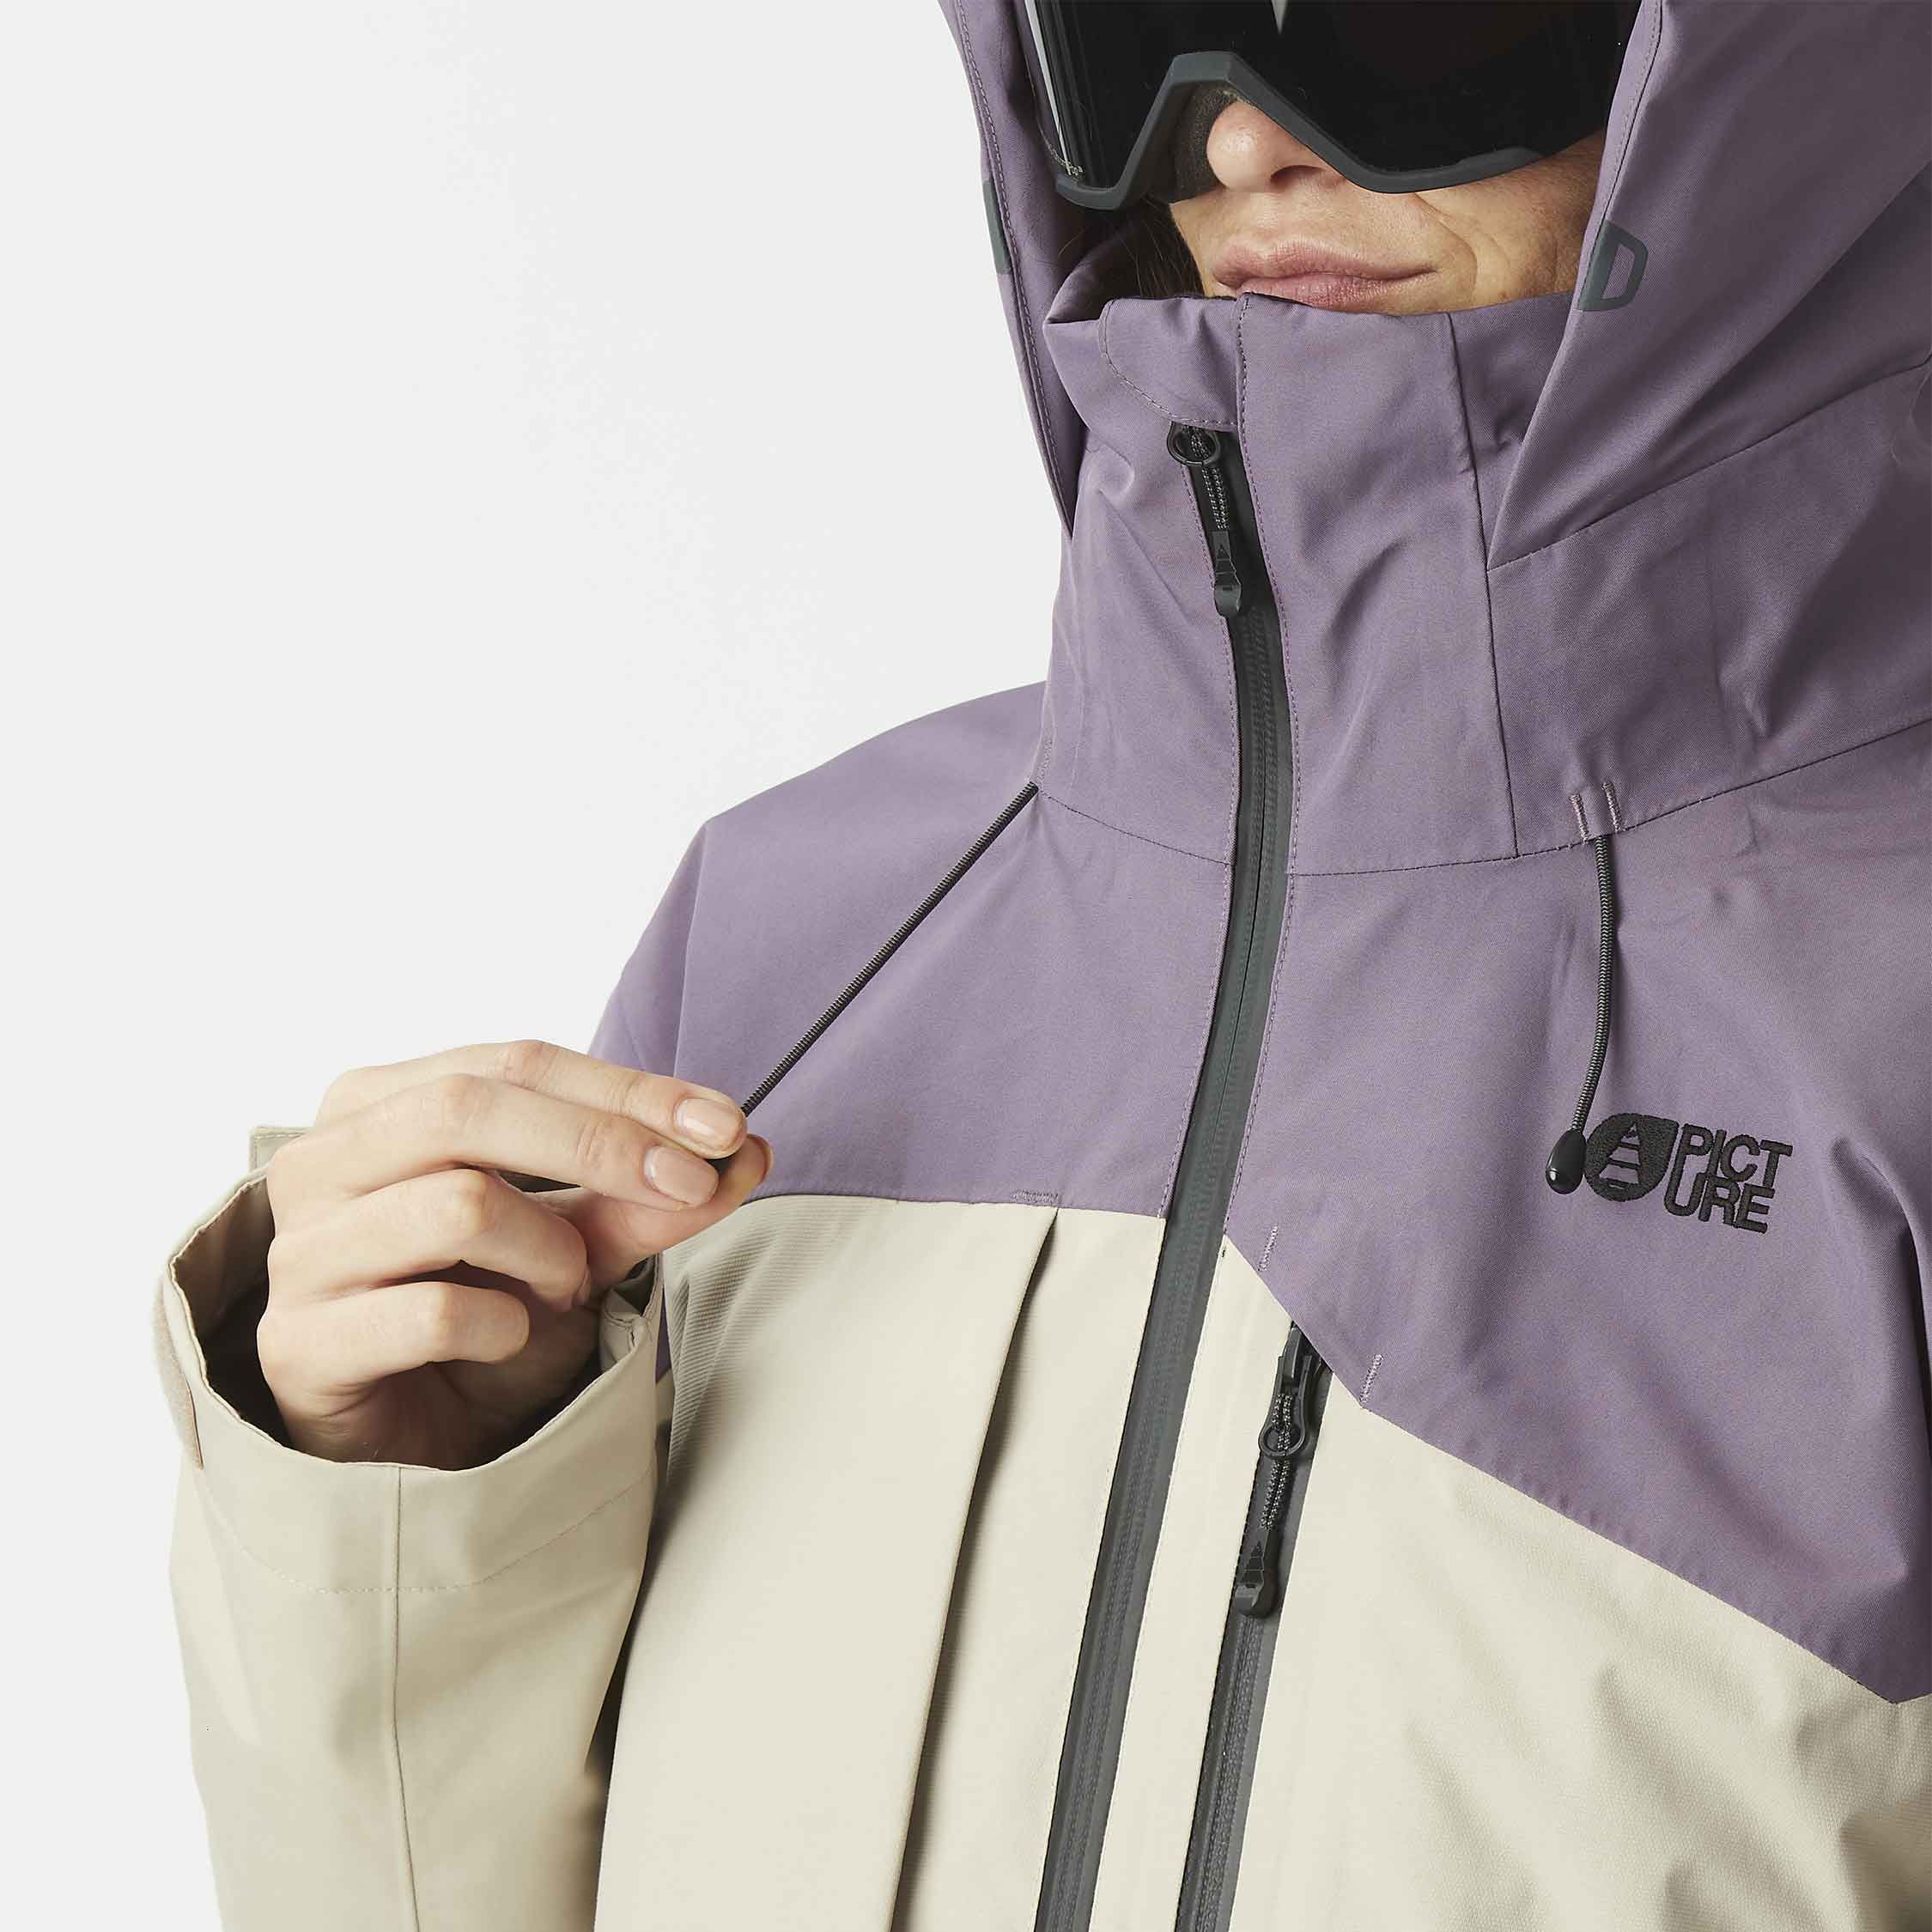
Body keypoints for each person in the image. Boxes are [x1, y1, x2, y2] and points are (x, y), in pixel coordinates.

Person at [152, 3, 1931, 1927]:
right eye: (1148, 19)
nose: (1239, 145)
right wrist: (411, 1544)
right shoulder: (798, 938)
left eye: (1389, 15)